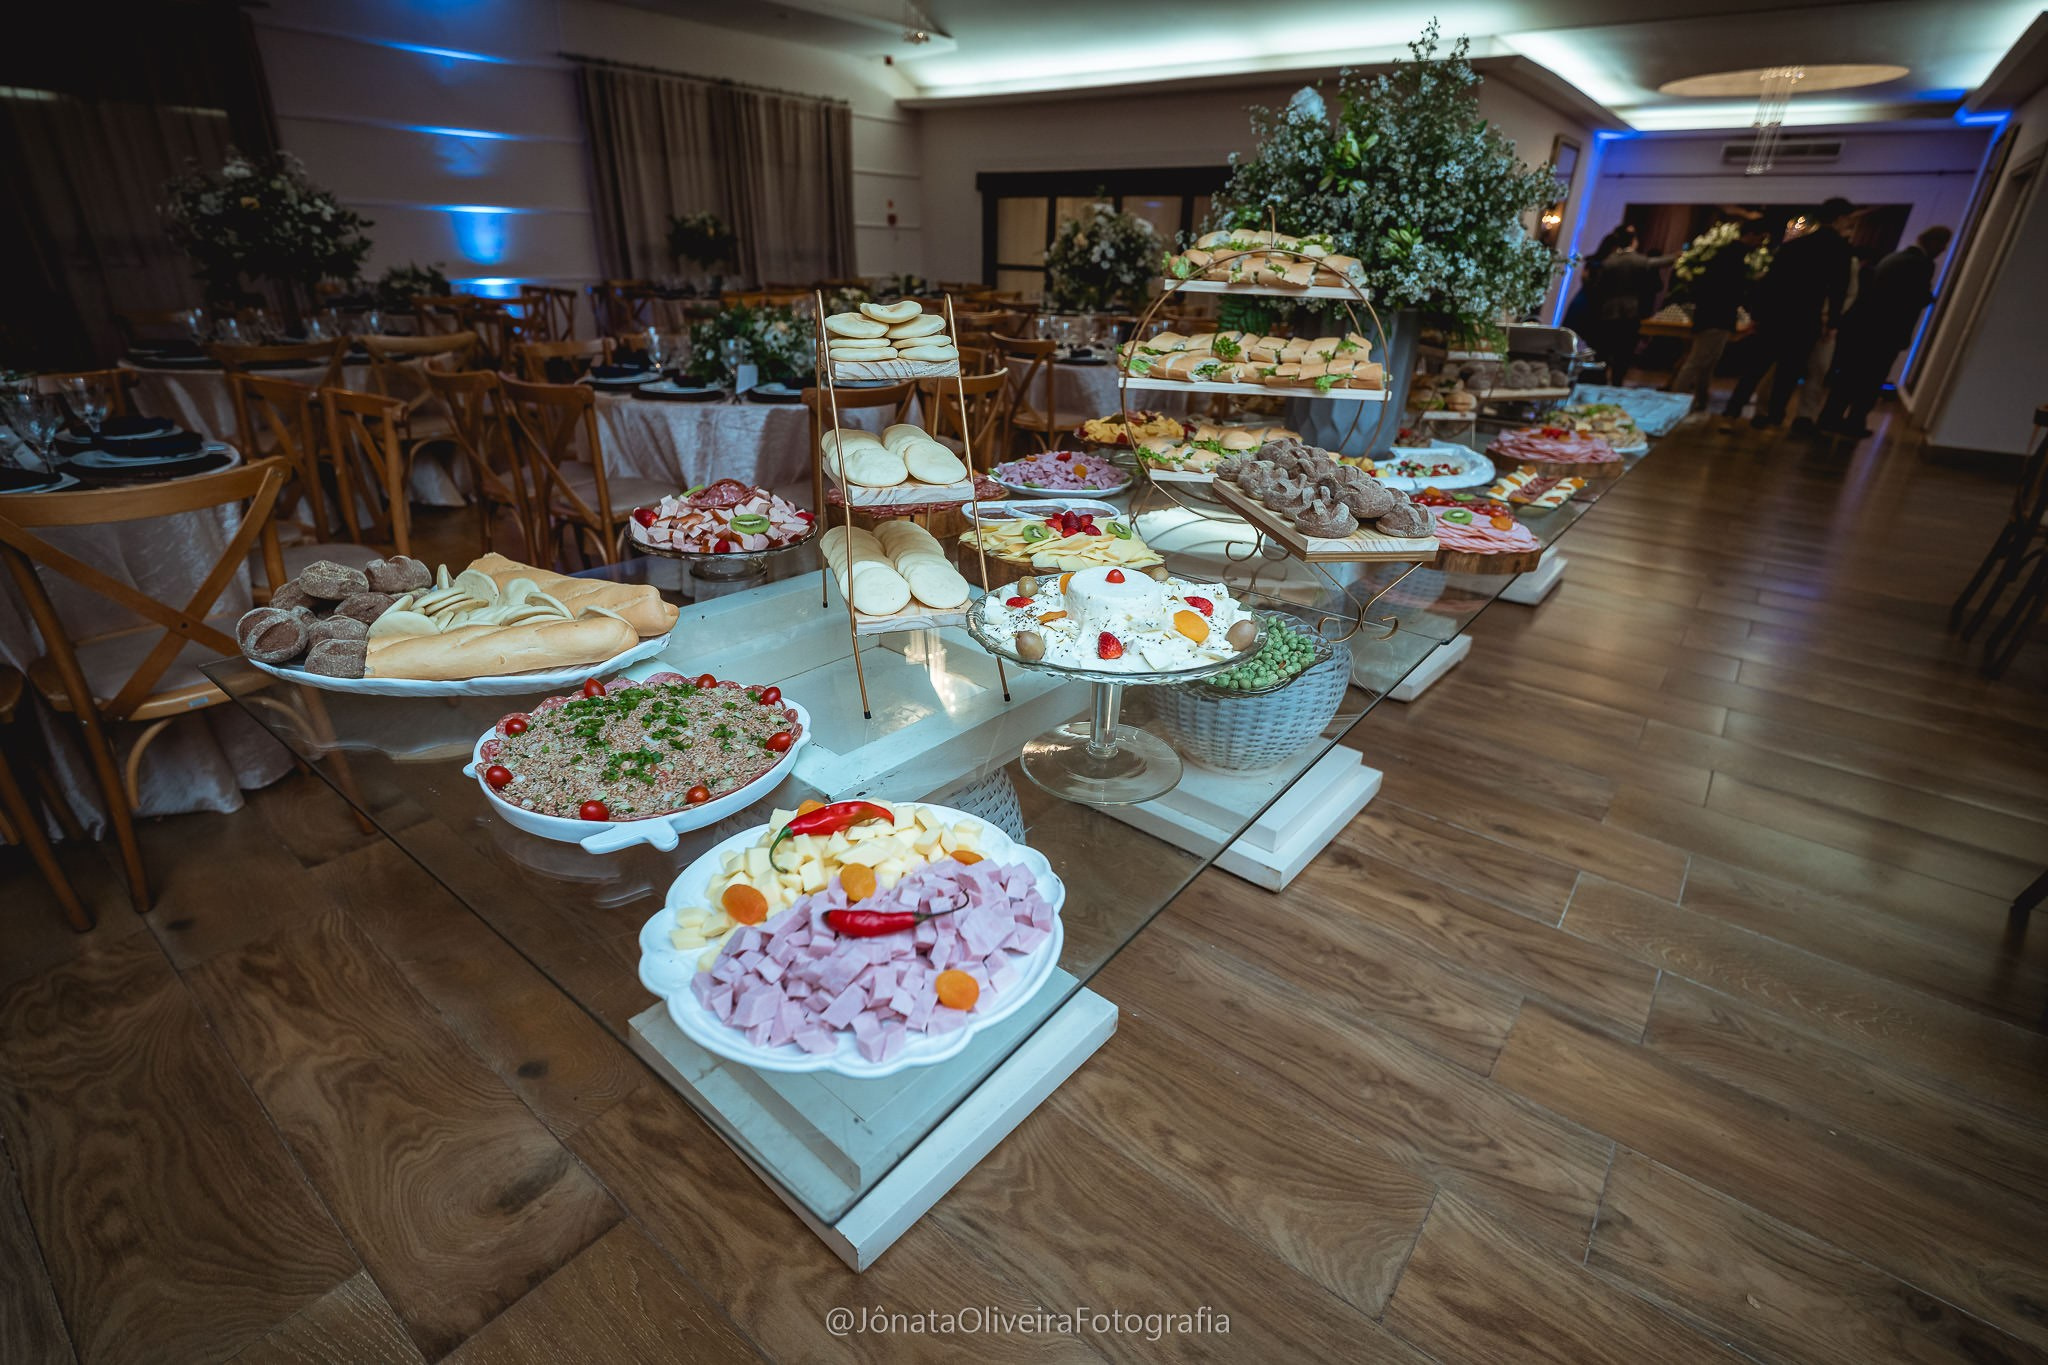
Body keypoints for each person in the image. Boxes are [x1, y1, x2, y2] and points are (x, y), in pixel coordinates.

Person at [1721, 197, 1857, 428]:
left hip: (1776, 316)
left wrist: (1757, 315)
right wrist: (1832, 322)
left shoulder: (1795, 245)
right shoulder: (1839, 249)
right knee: (1788, 373)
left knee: (1756, 369)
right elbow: (1838, 289)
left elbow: (1770, 283)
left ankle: (1732, 412)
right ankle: (1774, 417)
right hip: (1805, 318)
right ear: (1841, 218)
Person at [1817, 224, 1952, 437]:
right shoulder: (1921, 264)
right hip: (1885, 332)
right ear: (1933, 243)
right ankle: (1854, 422)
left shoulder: (1895, 258)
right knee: (1870, 380)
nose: (1943, 250)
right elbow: (1912, 298)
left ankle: (1831, 417)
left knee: (1849, 376)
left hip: (1864, 327)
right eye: (1943, 244)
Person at [1670, 221, 1766, 410]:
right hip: (1717, 316)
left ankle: (1700, 400)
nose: (1760, 243)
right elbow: (1730, 290)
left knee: (1707, 362)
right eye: (1760, 238)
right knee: (1698, 361)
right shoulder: (1733, 256)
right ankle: (1675, 401)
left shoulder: (1725, 253)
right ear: (1750, 235)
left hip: (1712, 315)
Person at [1580, 225, 1672, 382]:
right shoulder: (1637, 260)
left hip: (1608, 310)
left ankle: (1599, 379)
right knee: (1624, 350)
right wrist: (1677, 256)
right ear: (1633, 242)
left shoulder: (1609, 261)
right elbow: (1658, 263)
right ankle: (1617, 380)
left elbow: (1598, 286)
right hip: (1630, 312)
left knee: (1605, 348)